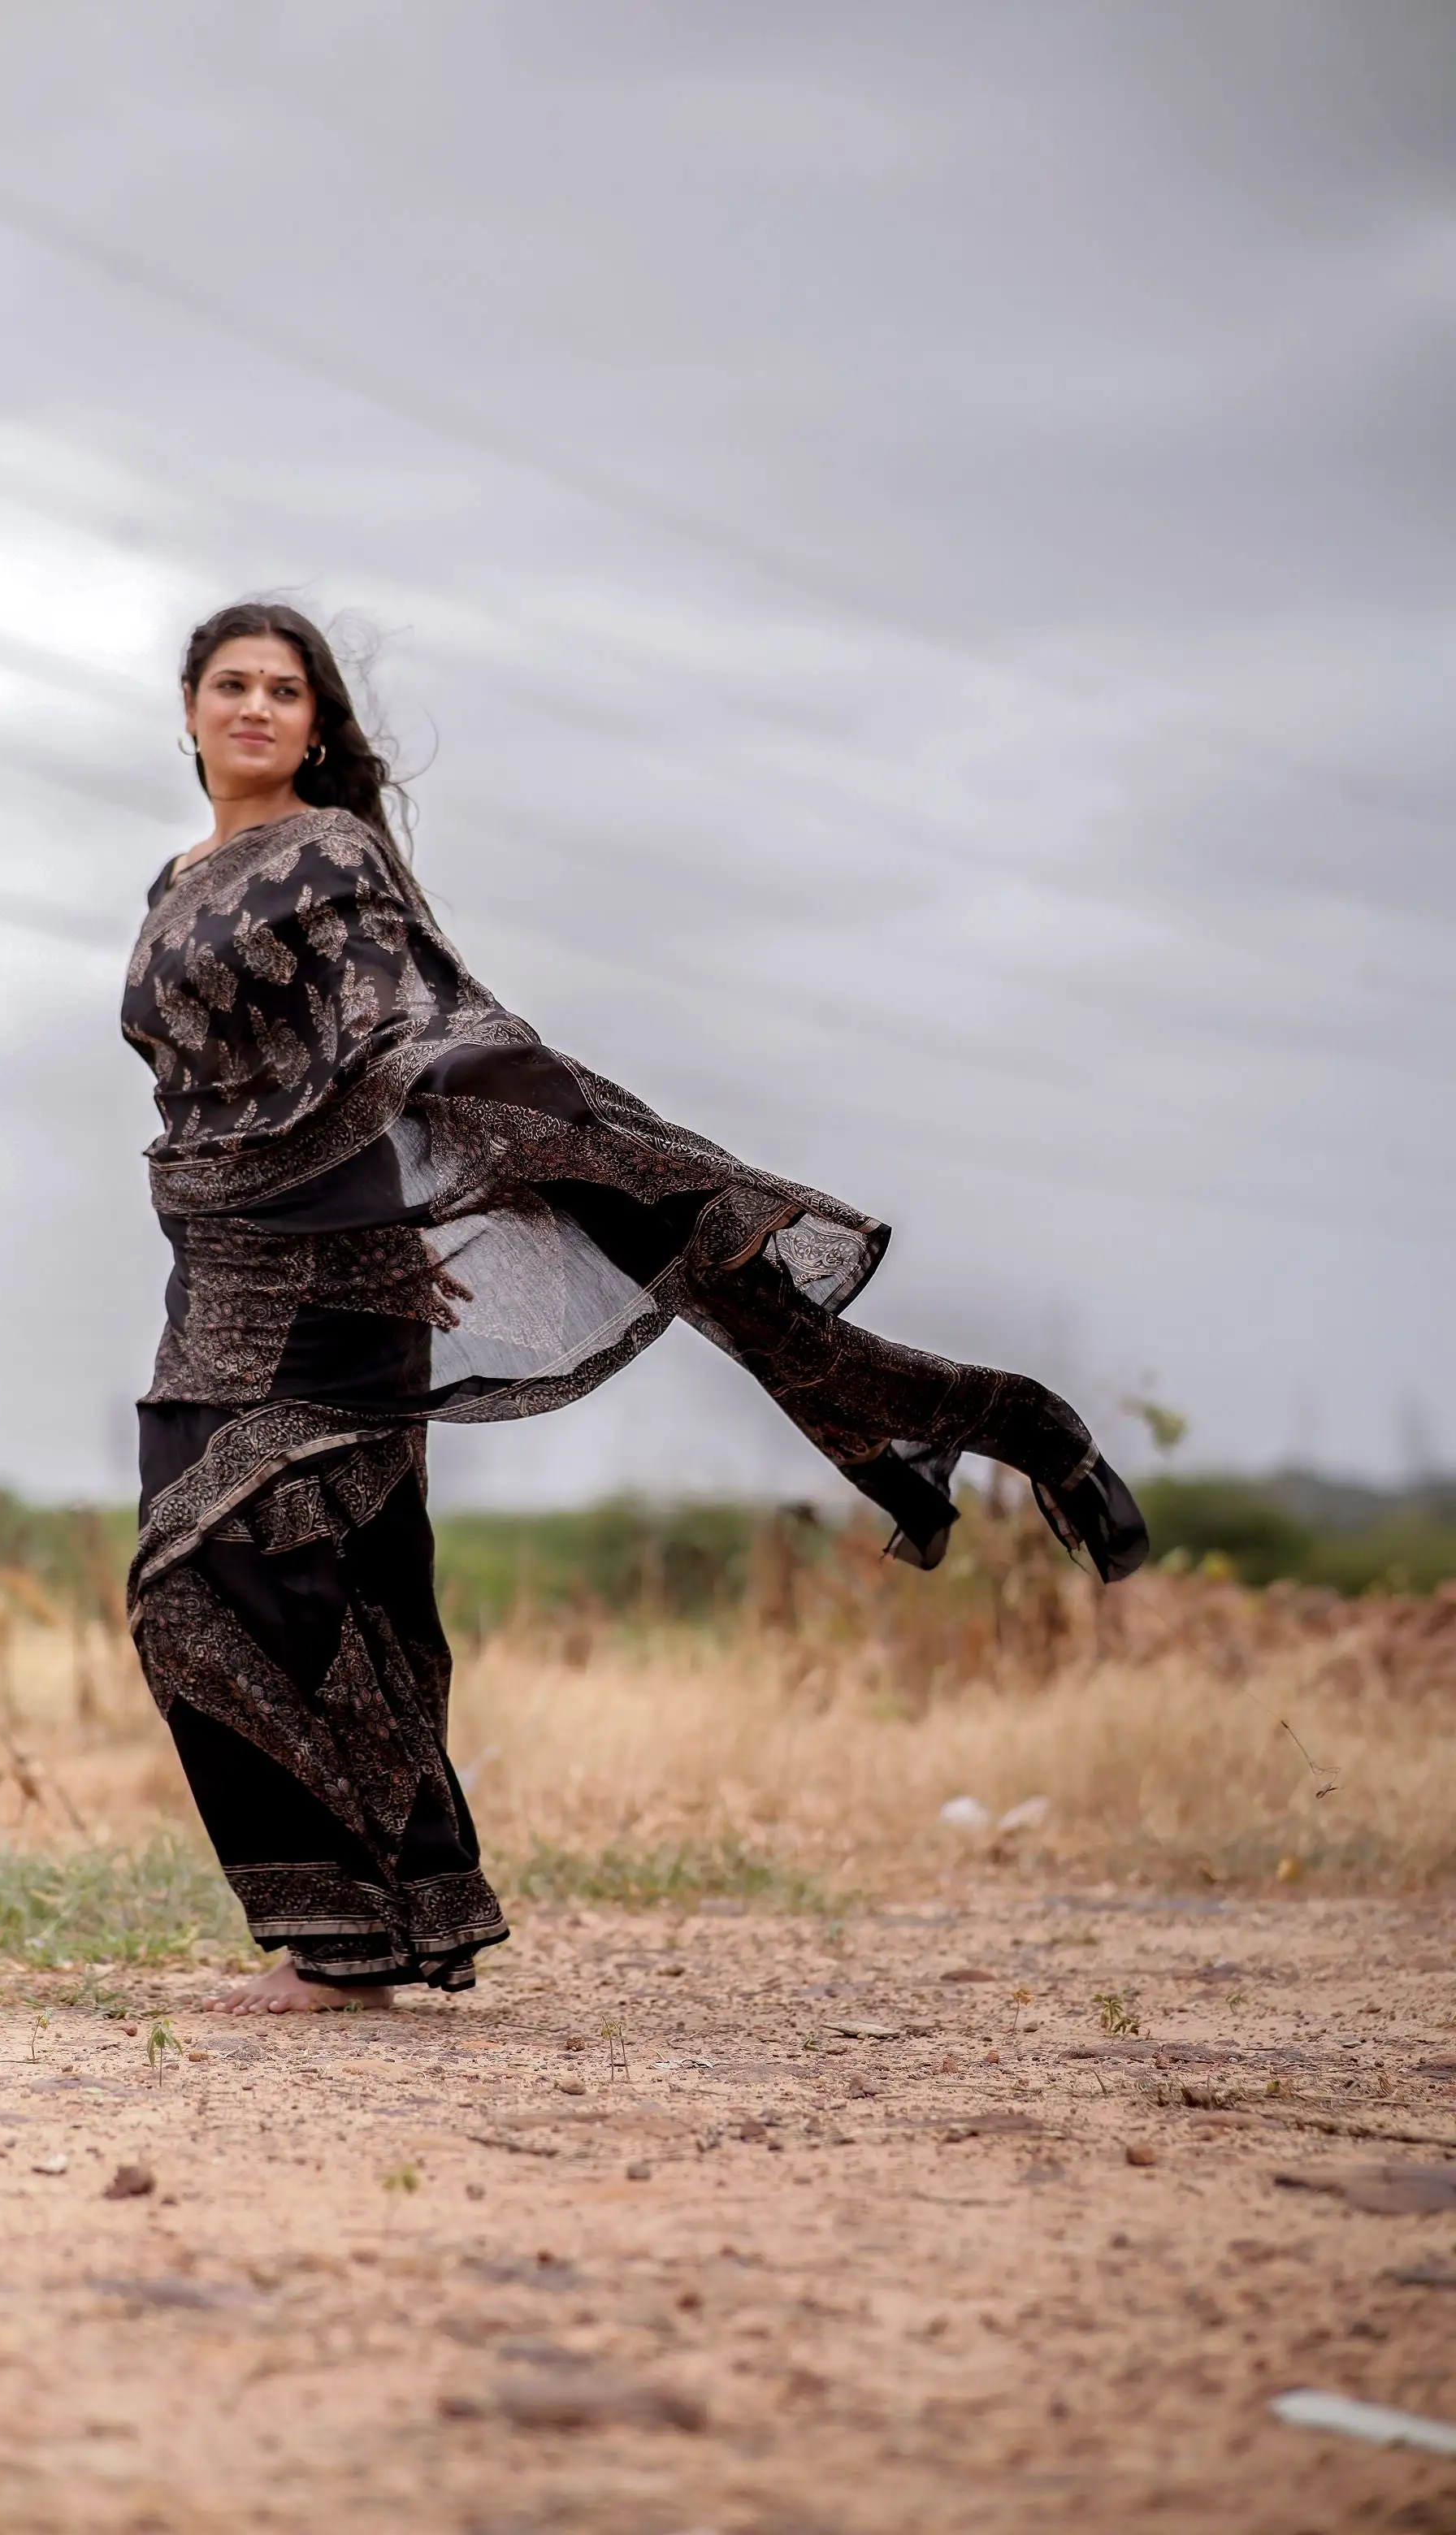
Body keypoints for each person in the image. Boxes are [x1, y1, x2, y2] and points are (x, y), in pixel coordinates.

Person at [124, 600, 1148, 2015]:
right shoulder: (173, 879)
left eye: (283, 690)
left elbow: (407, 1042)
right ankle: (373, 1922)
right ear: (186, 711)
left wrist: (452, 1200)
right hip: (220, 1259)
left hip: (346, 1262)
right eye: (229, 684)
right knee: (207, 1595)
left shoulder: (336, 854)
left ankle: (349, 1948)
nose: (254, 707)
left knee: (279, 1577)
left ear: (315, 724)